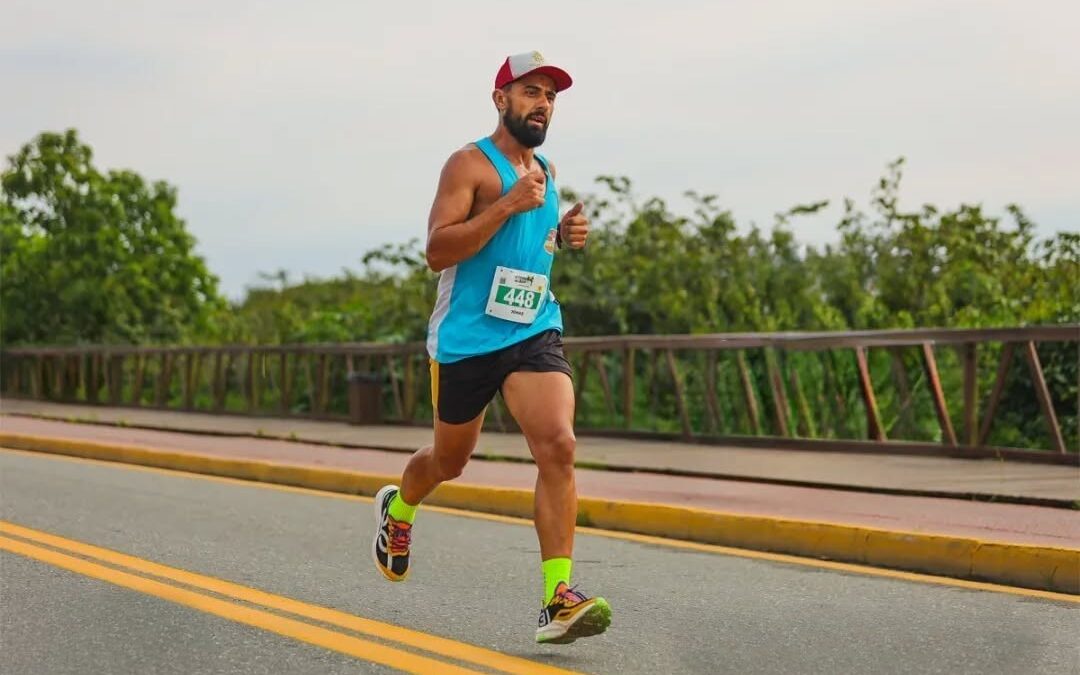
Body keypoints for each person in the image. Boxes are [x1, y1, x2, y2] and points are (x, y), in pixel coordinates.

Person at [371, 51, 611, 645]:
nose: (543, 104)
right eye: (531, 92)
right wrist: (507, 204)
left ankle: (557, 597)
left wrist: (565, 235)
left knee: (558, 445)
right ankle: (399, 509)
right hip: (467, 339)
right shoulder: (468, 165)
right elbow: (437, 252)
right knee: (449, 462)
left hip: (532, 328)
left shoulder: (548, 171)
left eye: (551, 96)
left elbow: (533, 246)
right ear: (500, 98)